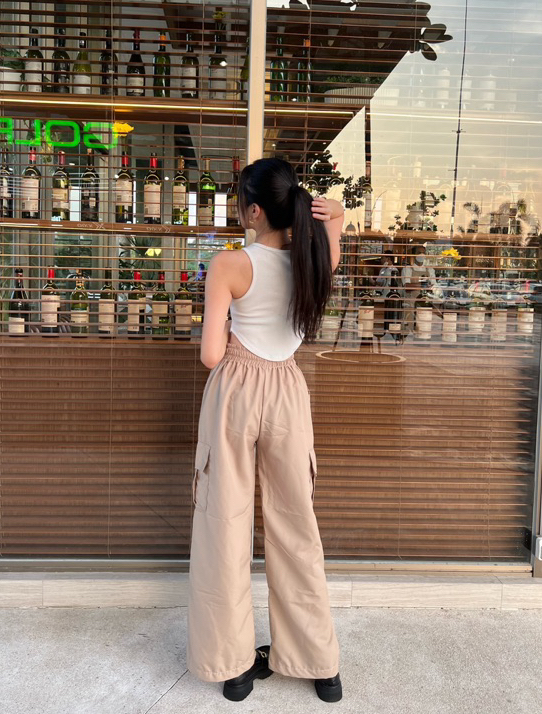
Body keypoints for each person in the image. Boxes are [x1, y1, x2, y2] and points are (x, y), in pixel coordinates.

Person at [187, 157, 345, 703]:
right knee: (296, 525)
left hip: (235, 390)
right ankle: (320, 664)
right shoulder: (315, 258)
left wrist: (236, 337)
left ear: (253, 211)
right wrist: (335, 215)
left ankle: (233, 668)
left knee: (224, 524)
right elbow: (333, 225)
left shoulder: (231, 264)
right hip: (287, 391)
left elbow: (211, 355)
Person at [400, 244, 437, 340]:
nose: (421, 255)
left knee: (424, 328)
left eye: (423, 253)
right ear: (414, 255)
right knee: (410, 329)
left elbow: (433, 287)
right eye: (419, 252)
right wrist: (424, 285)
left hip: (425, 305)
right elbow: (407, 286)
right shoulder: (407, 269)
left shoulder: (430, 270)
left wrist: (417, 285)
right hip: (410, 305)